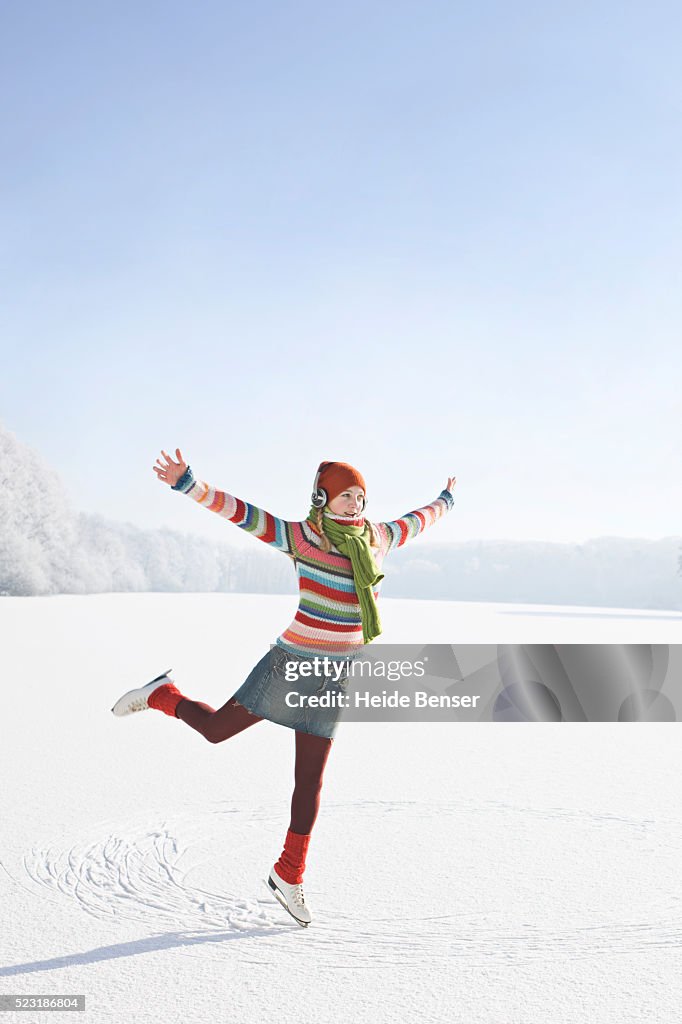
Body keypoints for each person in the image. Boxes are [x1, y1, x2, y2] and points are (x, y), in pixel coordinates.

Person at [111, 451, 456, 926]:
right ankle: (161, 696)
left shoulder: (376, 538)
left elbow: (417, 520)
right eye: (345, 496)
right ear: (323, 499)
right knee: (216, 730)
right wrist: (189, 484)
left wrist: (446, 499)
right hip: (291, 662)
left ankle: (288, 873)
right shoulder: (303, 537)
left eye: (361, 497)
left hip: (337, 674)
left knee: (310, 780)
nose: (355, 505)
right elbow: (245, 516)